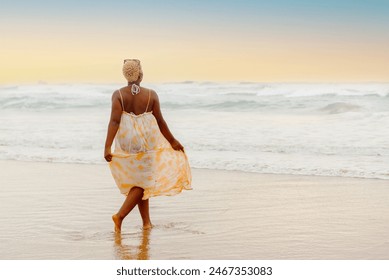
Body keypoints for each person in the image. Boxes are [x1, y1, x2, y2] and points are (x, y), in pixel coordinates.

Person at [104, 59, 192, 232]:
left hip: (127, 141)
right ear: (140, 74)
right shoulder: (151, 94)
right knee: (143, 182)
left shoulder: (118, 94)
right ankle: (119, 216)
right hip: (145, 141)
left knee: (140, 179)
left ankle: (146, 222)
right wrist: (172, 140)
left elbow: (114, 121)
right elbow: (160, 120)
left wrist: (107, 146)